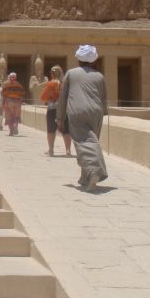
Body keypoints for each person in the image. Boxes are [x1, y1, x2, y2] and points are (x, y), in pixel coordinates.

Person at [57, 44, 108, 192]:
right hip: (96, 112)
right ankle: (85, 178)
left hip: (77, 110)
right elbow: (104, 97)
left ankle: (94, 171)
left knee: (84, 142)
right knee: (91, 141)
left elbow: (63, 97)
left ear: (79, 59)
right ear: (93, 60)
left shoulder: (71, 73)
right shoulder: (100, 76)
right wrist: (104, 113)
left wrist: (60, 118)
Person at [40, 65, 72, 156]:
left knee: (51, 130)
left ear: (52, 74)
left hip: (52, 109)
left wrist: (49, 99)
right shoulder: (65, 84)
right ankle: (68, 150)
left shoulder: (50, 84)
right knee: (66, 130)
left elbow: (43, 97)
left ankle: (51, 150)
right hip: (64, 109)